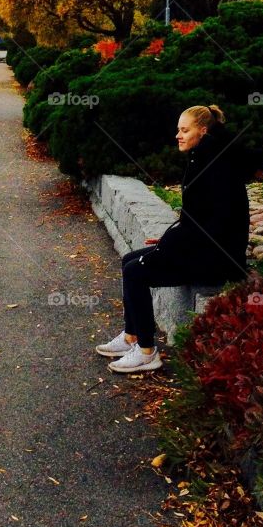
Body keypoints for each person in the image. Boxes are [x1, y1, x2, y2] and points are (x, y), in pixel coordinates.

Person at [96, 103, 250, 374]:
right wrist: (168, 239)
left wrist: (169, 246)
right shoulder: (204, 156)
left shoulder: (215, 165)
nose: (178, 135)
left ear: (203, 131)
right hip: (203, 248)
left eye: (184, 130)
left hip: (217, 260)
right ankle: (131, 336)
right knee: (130, 259)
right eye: (178, 130)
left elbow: (214, 226)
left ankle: (146, 352)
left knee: (135, 272)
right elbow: (195, 218)